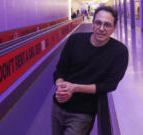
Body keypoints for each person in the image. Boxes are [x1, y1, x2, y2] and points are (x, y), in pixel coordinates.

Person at [51, 6, 128, 135]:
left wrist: (75, 88)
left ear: (114, 28)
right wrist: (60, 86)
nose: (101, 28)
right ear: (93, 24)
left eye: (107, 25)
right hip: (58, 105)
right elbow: (60, 70)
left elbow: (109, 85)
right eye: (98, 23)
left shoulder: (119, 52)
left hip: (83, 113)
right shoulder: (74, 41)